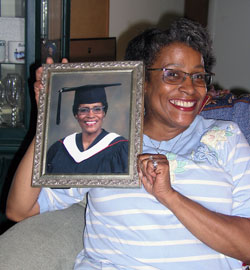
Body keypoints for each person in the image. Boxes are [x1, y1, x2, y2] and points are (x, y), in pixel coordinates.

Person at [6, 18, 250, 269]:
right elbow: (20, 209)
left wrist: (170, 197)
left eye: (198, 76)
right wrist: (47, 119)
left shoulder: (227, 137)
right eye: (173, 74)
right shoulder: (105, 143)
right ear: (141, 82)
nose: (189, 88)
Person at [46, 83, 128, 173]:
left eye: (97, 109)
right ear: (76, 114)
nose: (91, 115)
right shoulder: (59, 148)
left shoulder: (120, 148)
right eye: (83, 110)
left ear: (104, 113)